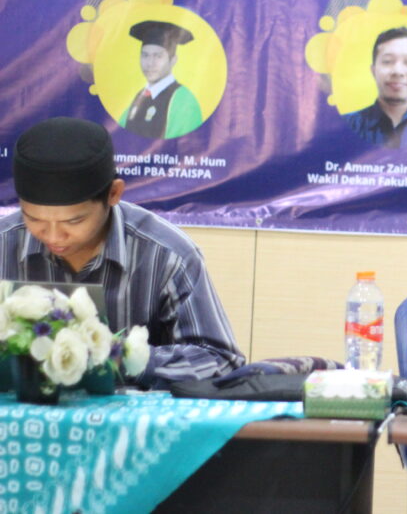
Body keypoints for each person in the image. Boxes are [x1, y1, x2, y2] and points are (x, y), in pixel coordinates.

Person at [0, 117, 244, 388]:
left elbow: (220, 360)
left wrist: (121, 358)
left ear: (114, 194)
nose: (54, 236)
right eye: (34, 219)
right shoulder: (4, 243)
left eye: (74, 221)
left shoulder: (167, 254)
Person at [120, 20, 203, 139]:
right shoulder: (139, 97)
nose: (150, 63)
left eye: (158, 56)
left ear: (173, 60)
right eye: (145, 55)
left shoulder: (184, 101)